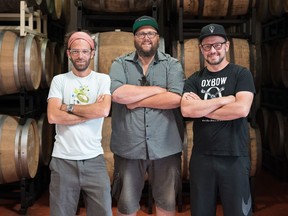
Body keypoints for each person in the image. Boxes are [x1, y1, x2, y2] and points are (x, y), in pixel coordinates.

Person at [109, 15, 185, 216]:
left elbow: (176, 99)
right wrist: (159, 90)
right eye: (141, 33)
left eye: (150, 33)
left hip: (166, 146)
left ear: (158, 37)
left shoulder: (172, 64)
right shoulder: (119, 63)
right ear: (134, 37)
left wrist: (135, 100)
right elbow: (117, 94)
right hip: (128, 146)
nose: (146, 37)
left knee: (167, 202)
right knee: (126, 204)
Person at [181, 23, 255, 216]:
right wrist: (223, 100)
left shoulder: (241, 74)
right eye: (207, 46)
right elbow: (187, 109)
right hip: (201, 158)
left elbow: (241, 109)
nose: (213, 50)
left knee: (238, 212)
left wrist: (202, 108)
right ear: (201, 49)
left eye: (217, 45)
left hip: (234, 156)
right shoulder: (194, 79)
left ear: (226, 46)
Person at [47, 31, 112, 216]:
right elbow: (52, 116)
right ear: (68, 53)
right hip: (63, 160)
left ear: (92, 53)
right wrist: (90, 112)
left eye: (85, 51)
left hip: (94, 160)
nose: (80, 56)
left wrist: (66, 107)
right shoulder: (59, 81)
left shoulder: (102, 79)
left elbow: (103, 111)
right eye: (75, 51)